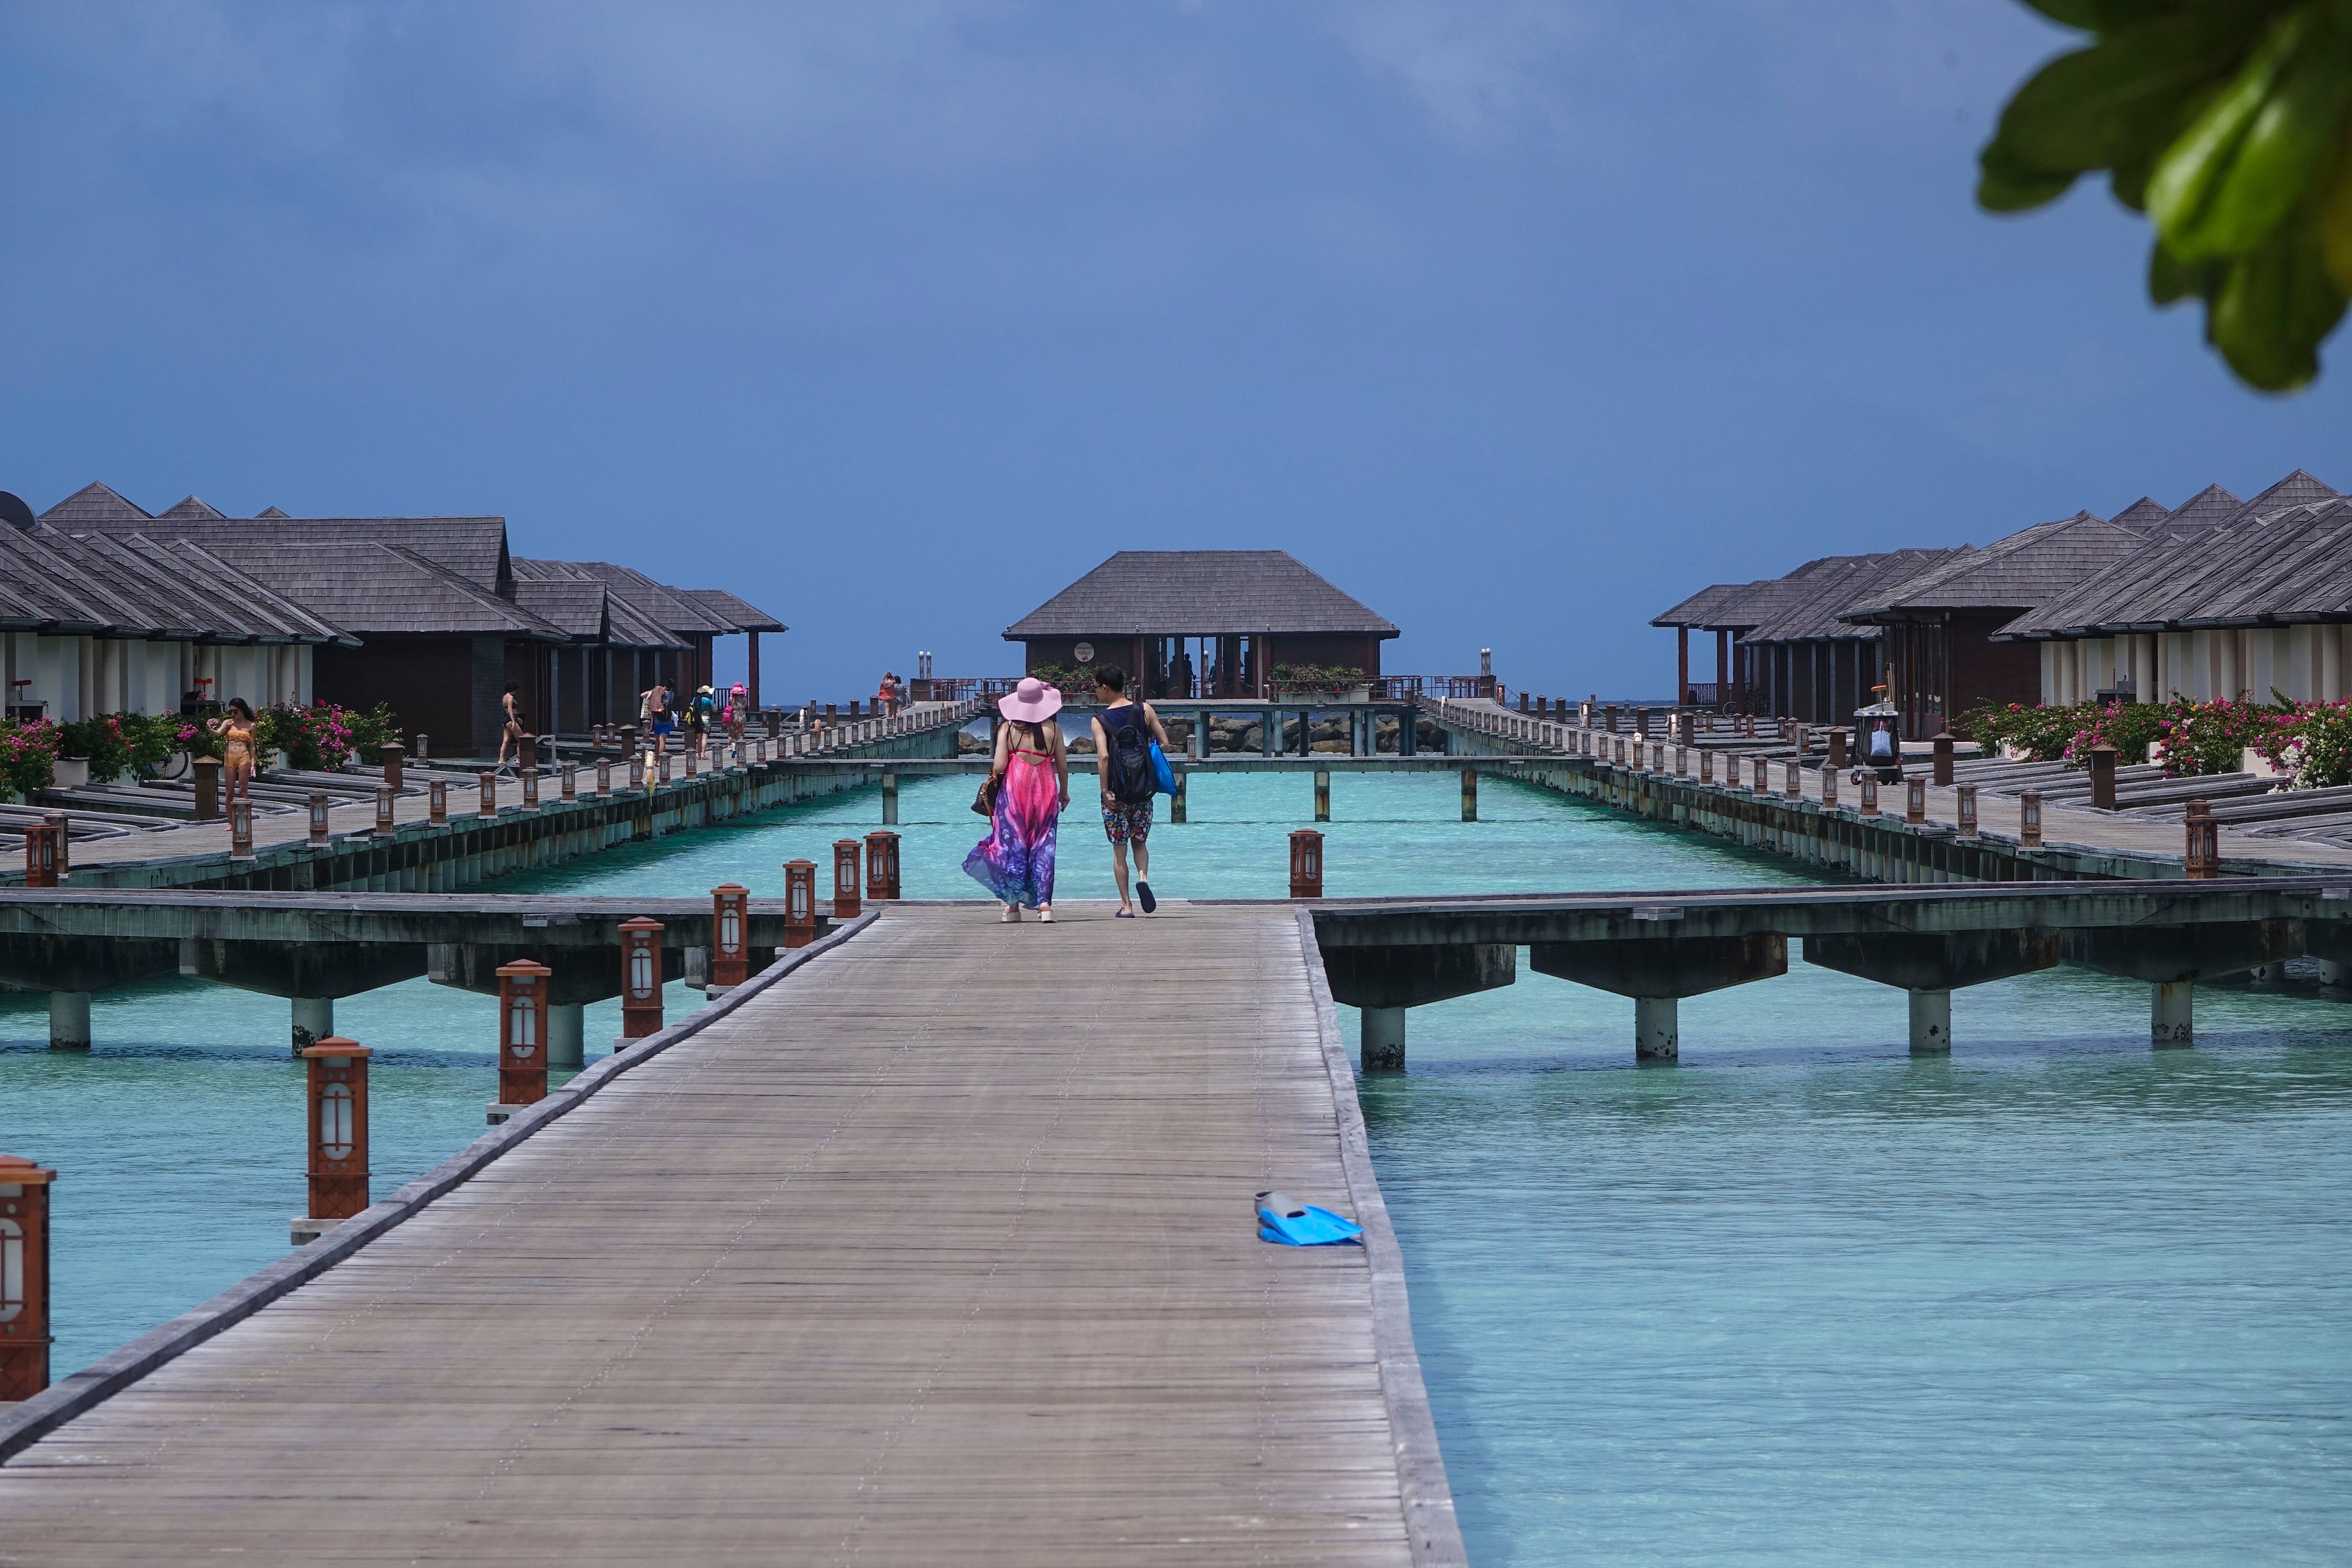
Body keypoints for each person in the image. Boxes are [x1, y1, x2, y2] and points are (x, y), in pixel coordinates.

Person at [964, 676, 1069, 922]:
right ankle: (1045, 905)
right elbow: (1063, 767)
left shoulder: (1008, 728)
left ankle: (1013, 907)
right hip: (1045, 790)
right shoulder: (1054, 730)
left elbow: (1000, 766)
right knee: (1044, 846)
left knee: (1013, 847)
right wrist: (1064, 792)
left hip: (1014, 792)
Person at [1089, 664, 1170, 917]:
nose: (1095, 692)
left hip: (1117, 793)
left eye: (1096, 687)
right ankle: (1143, 878)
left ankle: (1127, 906)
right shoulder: (1144, 709)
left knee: (1119, 849)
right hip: (1143, 790)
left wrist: (1105, 791)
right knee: (1140, 842)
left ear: (1105, 687)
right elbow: (1164, 743)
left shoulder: (1099, 720)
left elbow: (1104, 756)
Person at [210, 698, 259, 806]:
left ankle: (246, 815)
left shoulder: (251, 725)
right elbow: (218, 733)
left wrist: (253, 764)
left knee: (243, 790)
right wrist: (209, 729)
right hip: (230, 757)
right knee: (229, 793)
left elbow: (252, 746)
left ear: (242, 710)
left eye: (235, 711)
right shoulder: (228, 723)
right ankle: (230, 817)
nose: (233, 714)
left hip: (243, 757)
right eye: (231, 711)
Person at [498, 684, 526, 771]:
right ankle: (519, 758)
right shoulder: (510, 698)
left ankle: (501, 759)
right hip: (511, 719)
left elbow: (508, 710)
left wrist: (517, 719)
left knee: (506, 741)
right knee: (522, 739)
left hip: (506, 719)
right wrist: (514, 721)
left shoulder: (505, 697)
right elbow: (510, 710)